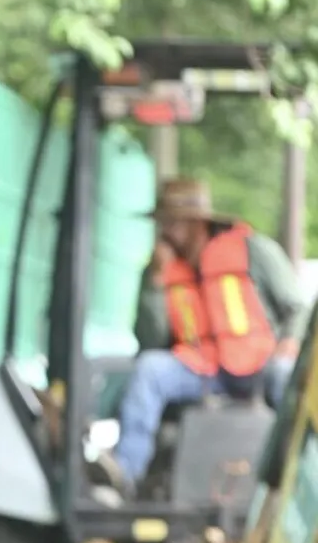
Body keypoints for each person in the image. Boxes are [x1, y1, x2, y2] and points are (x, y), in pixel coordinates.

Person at [89, 178, 308, 500]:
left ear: (196, 224)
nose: (164, 231)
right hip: (205, 370)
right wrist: (154, 283)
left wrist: (289, 342)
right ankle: (125, 474)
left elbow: (297, 308)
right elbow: (150, 341)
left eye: (171, 222)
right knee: (151, 370)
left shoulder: (253, 250)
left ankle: (298, 482)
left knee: (287, 379)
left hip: (260, 363)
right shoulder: (161, 270)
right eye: (163, 222)